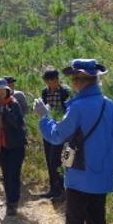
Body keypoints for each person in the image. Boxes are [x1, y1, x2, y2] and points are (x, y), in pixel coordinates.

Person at [36, 59, 113, 224]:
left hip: (79, 177)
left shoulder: (77, 108)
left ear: (81, 81)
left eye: (75, 78)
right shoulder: (110, 105)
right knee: (98, 223)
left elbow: (56, 136)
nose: (72, 82)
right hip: (102, 177)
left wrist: (44, 116)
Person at [0, 79, 27, 216]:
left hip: (16, 146)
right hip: (2, 147)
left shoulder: (14, 104)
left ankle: (13, 203)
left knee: (13, 175)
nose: (1, 93)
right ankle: (9, 200)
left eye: (3, 90)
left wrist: (5, 113)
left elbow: (18, 124)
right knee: (5, 175)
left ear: (7, 91)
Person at [38, 69, 71, 199]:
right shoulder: (45, 92)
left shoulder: (65, 92)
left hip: (61, 129)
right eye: (49, 81)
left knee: (56, 160)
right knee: (49, 159)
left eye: (54, 80)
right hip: (47, 128)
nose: (52, 83)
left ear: (58, 79)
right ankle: (53, 189)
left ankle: (62, 189)